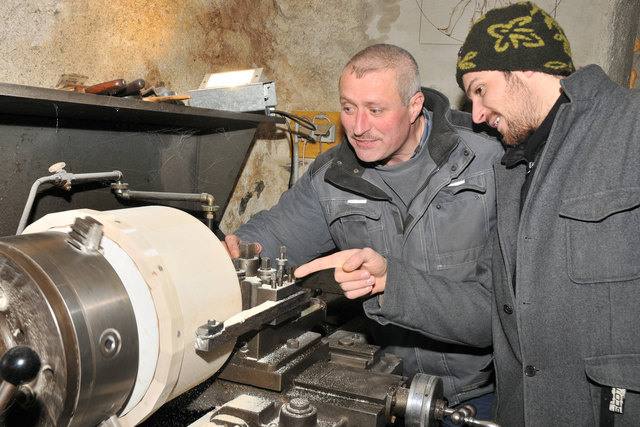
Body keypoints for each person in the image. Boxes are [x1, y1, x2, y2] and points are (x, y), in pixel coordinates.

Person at [295, 2, 640, 426]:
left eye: (480, 89)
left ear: (525, 67)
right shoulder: (518, 167)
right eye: (349, 108)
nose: (476, 114)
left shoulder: (628, 124)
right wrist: (390, 281)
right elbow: (497, 309)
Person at [224, 43, 504, 423]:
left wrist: (391, 281)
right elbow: (275, 232)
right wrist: (236, 250)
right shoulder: (334, 176)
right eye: (348, 108)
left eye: (375, 110)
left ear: (414, 104)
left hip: (483, 393)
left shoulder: (489, 160)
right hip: (383, 391)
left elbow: (505, 309)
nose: (357, 128)